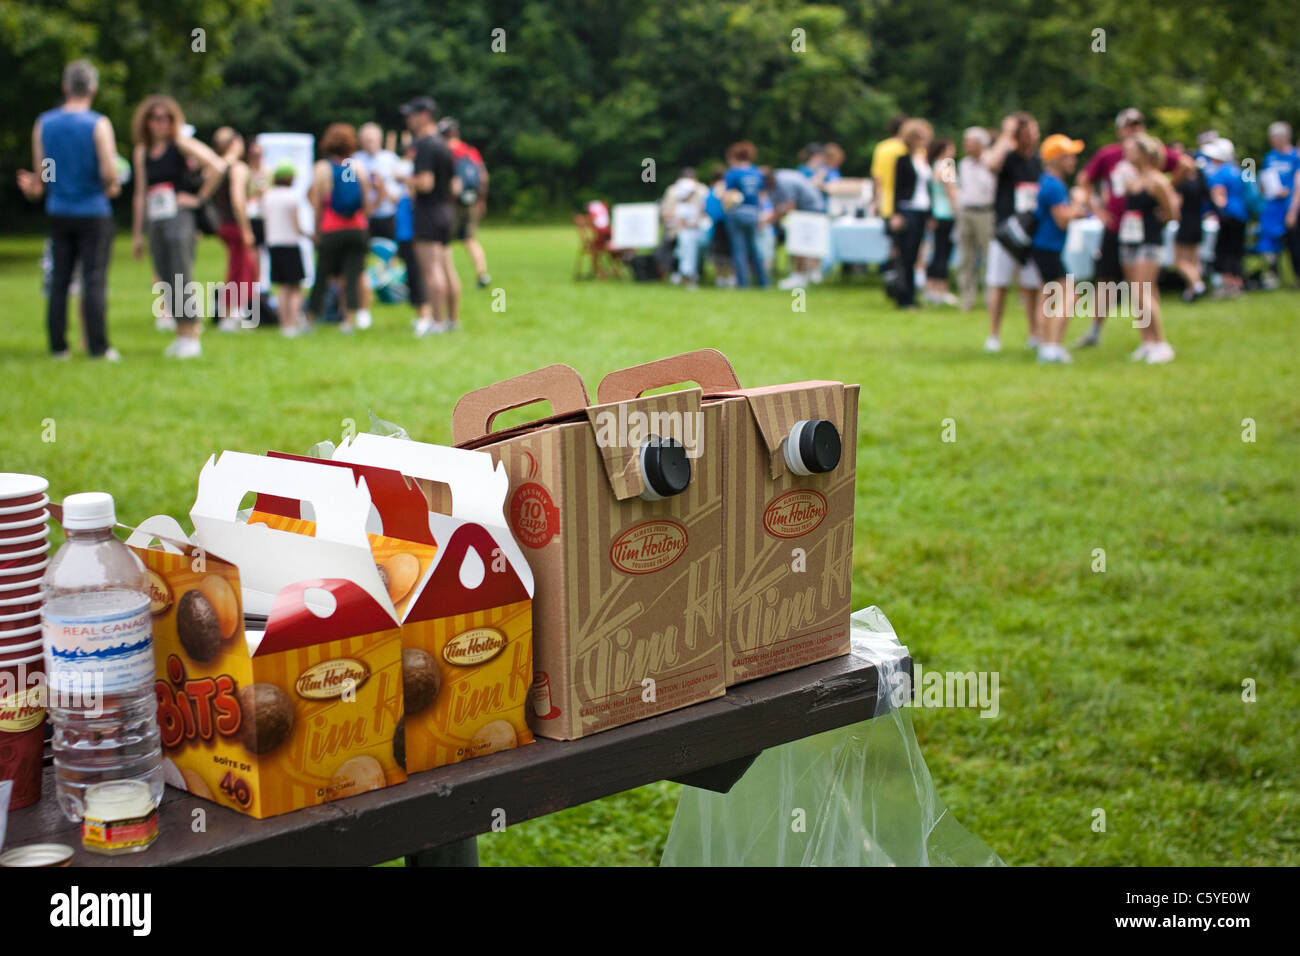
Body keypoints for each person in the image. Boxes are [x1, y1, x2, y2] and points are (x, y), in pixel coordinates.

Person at [16, 61, 122, 361]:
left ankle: (58, 347)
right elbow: (109, 172)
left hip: (59, 209)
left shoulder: (45, 123)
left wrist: (41, 187)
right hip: (93, 210)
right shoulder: (98, 124)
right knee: (94, 279)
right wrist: (110, 185)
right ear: (93, 89)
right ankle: (98, 347)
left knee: (60, 279)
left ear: (65, 87)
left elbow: (44, 172)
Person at [1074, 108, 1189, 347]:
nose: (1133, 130)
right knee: (1110, 280)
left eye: (1138, 125)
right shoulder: (1113, 157)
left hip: (1146, 232)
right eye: (1129, 126)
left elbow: (1184, 166)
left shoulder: (1151, 168)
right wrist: (1097, 210)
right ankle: (1109, 332)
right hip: (1119, 227)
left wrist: (1164, 194)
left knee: (1144, 287)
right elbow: (1084, 180)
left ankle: (1155, 340)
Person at [129, 95, 225, 358]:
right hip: (156, 218)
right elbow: (140, 194)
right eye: (154, 118)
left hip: (179, 216)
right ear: (146, 121)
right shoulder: (142, 152)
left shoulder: (180, 145)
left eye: (165, 118)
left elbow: (217, 165)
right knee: (163, 274)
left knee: (181, 273)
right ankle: (180, 334)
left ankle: (191, 334)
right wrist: (138, 234)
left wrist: (197, 198)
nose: (159, 123)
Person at [303, 123, 375, 332]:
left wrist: (317, 231)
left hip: (332, 229)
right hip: (357, 229)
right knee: (351, 276)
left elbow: (317, 204)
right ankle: (348, 320)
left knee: (322, 276)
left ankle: (310, 318)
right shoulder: (356, 167)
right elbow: (366, 205)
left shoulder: (322, 169)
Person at [982, 111, 1043, 351]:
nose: (1031, 136)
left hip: (1030, 230)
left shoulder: (1037, 161)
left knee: (1031, 286)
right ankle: (994, 335)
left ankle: (1034, 332)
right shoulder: (1007, 157)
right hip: (1006, 231)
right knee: (999, 283)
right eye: (1026, 132)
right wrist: (1006, 134)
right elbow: (991, 164)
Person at [402, 96, 461, 335]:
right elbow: (455, 186)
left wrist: (402, 178)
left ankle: (435, 323)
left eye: (411, 115)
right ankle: (452, 321)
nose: (408, 120)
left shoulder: (425, 145)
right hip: (446, 211)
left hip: (428, 212)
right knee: (448, 268)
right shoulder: (444, 145)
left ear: (424, 115)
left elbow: (425, 184)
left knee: (431, 270)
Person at [1119, 133, 1178, 363]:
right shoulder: (1131, 181)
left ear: (1144, 152)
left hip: (1150, 241)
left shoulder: (1158, 181)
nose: (1127, 152)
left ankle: (1161, 343)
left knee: (1143, 291)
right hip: (1130, 239)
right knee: (1138, 293)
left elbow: (1171, 212)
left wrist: (1157, 221)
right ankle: (1147, 342)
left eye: (1131, 148)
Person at [1029, 134, 1088, 363]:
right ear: (1057, 159)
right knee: (1070, 295)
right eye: (1069, 156)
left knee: (1048, 297)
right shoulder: (1054, 185)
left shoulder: (1049, 181)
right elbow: (1062, 219)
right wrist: (1079, 203)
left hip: (1044, 247)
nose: (1074, 160)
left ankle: (1047, 345)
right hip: (1048, 247)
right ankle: (1052, 345)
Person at [201, 127, 259, 328]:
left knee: (238, 269)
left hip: (221, 225)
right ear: (235, 142)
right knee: (239, 272)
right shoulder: (237, 167)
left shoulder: (215, 167)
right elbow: (237, 200)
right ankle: (230, 315)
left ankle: (234, 313)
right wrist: (246, 230)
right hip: (235, 225)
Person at [351, 122, 402, 329]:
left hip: (387, 215)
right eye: (367, 139)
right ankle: (364, 296)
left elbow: (399, 194)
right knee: (362, 257)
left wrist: (383, 191)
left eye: (373, 138)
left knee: (392, 255)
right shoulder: (354, 161)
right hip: (364, 217)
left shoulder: (391, 160)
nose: (370, 142)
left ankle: (391, 290)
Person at [438, 118, 492, 289]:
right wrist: (481, 200)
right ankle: (482, 273)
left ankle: (443, 276)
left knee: (443, 241)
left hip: (450, 203)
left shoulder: (443, 151)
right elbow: (483, 177)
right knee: (470, 239)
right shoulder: (470, 151)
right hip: (471, 201)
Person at [889, 119, 934, 310]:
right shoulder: (903, 160)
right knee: (906, 254)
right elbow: (897, 188)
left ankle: (911, 295)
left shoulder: (925, 161)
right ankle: (904, 296)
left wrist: (931, 214)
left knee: (916, 254)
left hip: (922, 209)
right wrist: (896, 213)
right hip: (907, 209)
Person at [261, 160, 306, 336]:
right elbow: (296, 224)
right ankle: (292, 324)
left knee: (282, 287)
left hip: (273, 243)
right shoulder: (292, 196)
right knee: (295, 286)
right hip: (290, 243)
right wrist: (308, 234)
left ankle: (283, 323)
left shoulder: (268, 196)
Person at [955, 127, 996, 312]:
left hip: (986, 212)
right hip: (966, 212)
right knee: (966, 256)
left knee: (989, 256)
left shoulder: (992, 161)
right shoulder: (963, 164)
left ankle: (990, 297)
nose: (965, 145)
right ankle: (967, 296)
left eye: (968, 141)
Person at [768, 165, 827, 289]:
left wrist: (769, 219)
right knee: (808, 243)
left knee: (800, 243)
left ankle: (800, 275)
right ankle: (810, 273)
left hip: (808, 210)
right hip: (813, 208)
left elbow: (789, 205)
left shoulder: (783, 182)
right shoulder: (780, 177)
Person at [1259, 122, 1300, 287]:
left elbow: (1298, 185)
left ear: (1284, 138)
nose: (1272, 141)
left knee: (1295, 244)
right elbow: (1263, 179)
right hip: (1272, 208)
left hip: (1290, 206)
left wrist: (1293, 210)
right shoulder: (1270, 156)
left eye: (1274, 138)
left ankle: (1297, 277)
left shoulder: (1295, 156)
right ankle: (1272, 277)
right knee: (1270, 245)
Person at [1204, 137, 1246, 298]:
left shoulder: (1219, 173)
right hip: (1240, 214)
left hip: (1228, 216)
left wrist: (1216, 212)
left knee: (1224, 250)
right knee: (1236, 250)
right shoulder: (1236, 170)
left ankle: (1228, 285)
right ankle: (1237, 283)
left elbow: (1219, 196)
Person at [722, 141, 768, 288]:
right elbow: (761, 196)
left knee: (739, 249)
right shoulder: (757, 172)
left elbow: (728, 195)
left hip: (737, 212)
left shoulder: (733, 173)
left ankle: (743, 284)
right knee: (755, 248)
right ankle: (763, 282)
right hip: (753, 212)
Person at [1170, 144, 1208, 302]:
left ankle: (1198, 285)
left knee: (1180, 261)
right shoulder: (1200, 179)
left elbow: (1176, 205)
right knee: (1193, 260)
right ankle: (1191, 291)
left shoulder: (1183, 183)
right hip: (1198, 221)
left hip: (1185, 222)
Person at [924, 137, 959, 305]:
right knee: (944, 252)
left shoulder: (933, 166)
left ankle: (930, 288)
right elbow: (950, 191)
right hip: (946, 214)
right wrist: (957, 211)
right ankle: (941, 289)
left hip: (936, 213)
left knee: (937, 251)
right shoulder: (947, 165)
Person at [660, 167, 709, 289]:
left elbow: (706, 213)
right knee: (686, 248)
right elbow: (666, 214)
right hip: (680, 230)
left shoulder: (701, 191)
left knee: (691, 249)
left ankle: (688, 274)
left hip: (699, 230)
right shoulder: (674, 192)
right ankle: (686, 276)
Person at [870, 115, 908, 221]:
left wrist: (875, 201)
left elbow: (877, 178)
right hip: (908, 203)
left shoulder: (882, 148)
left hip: (886, 202)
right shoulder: (911, 148)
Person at [704, 168, 735, 287]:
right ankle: (731, 278)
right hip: (727, 225)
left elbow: (708, 210)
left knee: (719, 254)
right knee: (730, 253)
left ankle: (720, 278)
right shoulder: (729, 190)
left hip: (716, 227)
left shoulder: (710, 193)